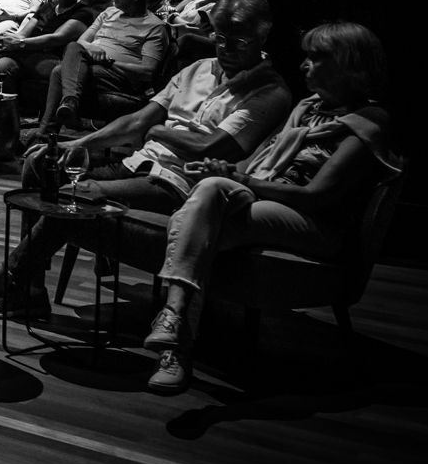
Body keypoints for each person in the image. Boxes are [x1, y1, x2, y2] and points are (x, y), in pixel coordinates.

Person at [0, 0, 292, 320]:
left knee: (75, 197)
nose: (225, 47)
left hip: (182, 185)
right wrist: (80, 144)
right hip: (137, 166)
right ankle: (29, 294)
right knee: (42, 164)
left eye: (238, 41)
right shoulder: (198, 70)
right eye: (218, 37)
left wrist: (156, 131)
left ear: (263, 37)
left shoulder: (269, 92)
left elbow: (209, 147)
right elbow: (138, 120)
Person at [139, 21, 398, 393]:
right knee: (206, 199)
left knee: (192, 225)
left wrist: (244, 182)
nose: (304, 65)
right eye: (306, 56)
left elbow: (316, 196)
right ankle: (175, 327)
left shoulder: (368, 122)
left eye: (317, 58)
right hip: (271, 201)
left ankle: (175, 339)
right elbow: (262, 164)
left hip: (316, 224)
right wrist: (228, 171)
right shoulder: (308, 109)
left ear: (350, 64)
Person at [39, 0, 171, 134]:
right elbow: (81, 42)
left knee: (60, 71)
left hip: (121, 77)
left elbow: (147, 71)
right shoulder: (109, 13)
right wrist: (92, 51)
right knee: (72, 48)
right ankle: (67, 105)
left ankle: (47, 130)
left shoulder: (155, 27)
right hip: (90, 65)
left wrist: (108, 62)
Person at [0, 0, 98, 97]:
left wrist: (20, 43)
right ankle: (3, 112)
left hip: (56, 60)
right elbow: (22, 34)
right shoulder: (47, 7)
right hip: (30, 54)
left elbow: (55, 38)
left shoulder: (83, 12)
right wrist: (6, 40)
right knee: (2, 63)